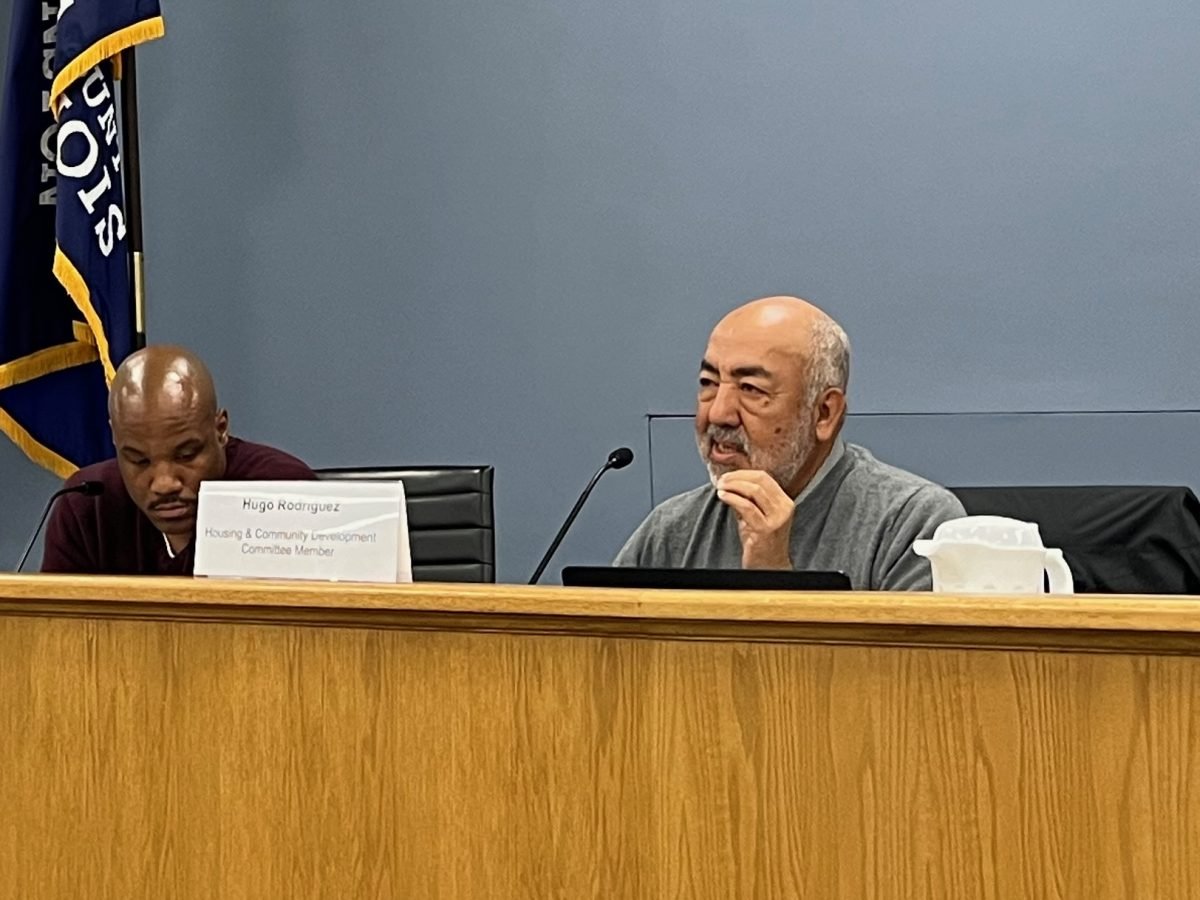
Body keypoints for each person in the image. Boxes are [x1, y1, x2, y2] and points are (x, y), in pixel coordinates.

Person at [614, 296, 964, 590]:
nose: (718, 413)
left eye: (751, 389)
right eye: (708, 382)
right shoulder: (672, 529)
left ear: (824, 413)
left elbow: (910, 672)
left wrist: (772, 573)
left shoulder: (913, 525)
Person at [41, 345, 315, 575]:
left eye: (186, 456)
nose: (164, 484)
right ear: (115, 438)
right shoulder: (87, 504)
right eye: (139, 460)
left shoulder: (283, 494)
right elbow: (56, 631)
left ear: (220, 430)